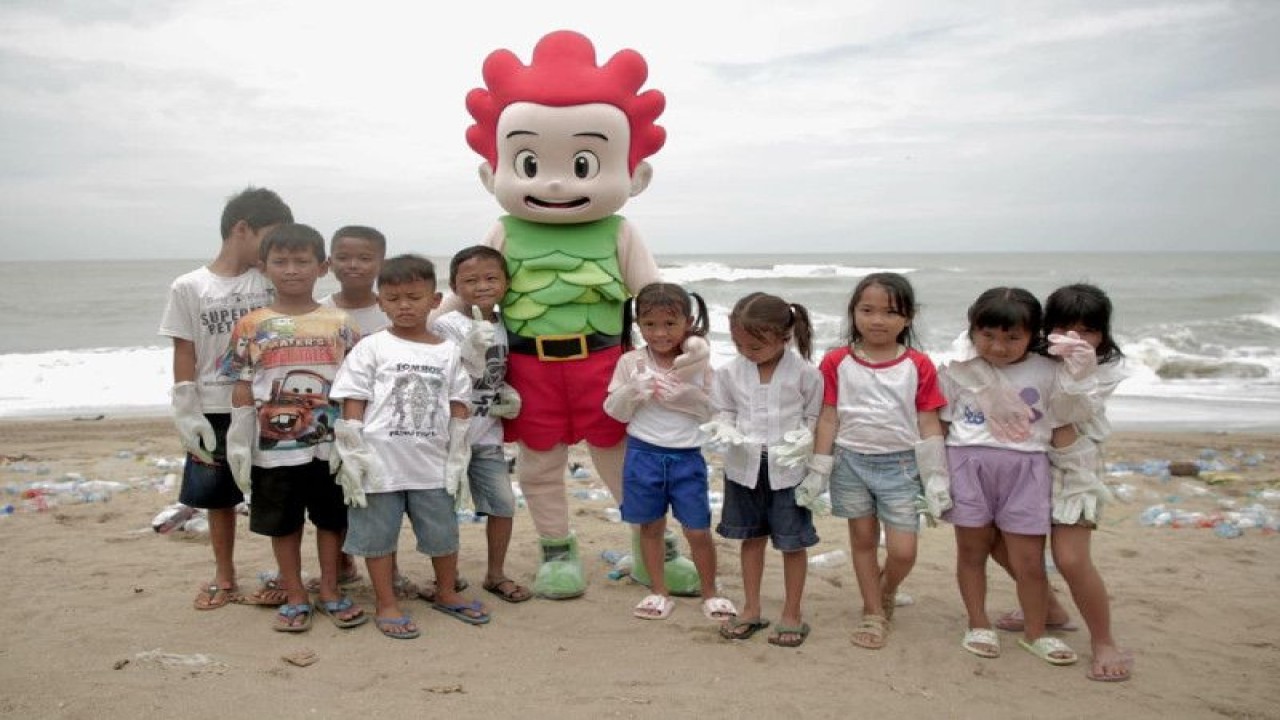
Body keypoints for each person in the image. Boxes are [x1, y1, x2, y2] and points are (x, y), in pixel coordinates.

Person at [439, 30, 699, 599]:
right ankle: (558, 549)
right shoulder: (505, 229)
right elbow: (463, 292)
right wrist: (425, 334)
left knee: (621, 458)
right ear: (494, 173)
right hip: (528, 368)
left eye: (584, 163)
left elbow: (655, 297)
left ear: (634, 176)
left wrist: (688, 342)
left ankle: (652, 545)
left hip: (605, 364)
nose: (555, 181)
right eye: (529, 161)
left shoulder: (619, 228)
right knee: (539, 465)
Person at [330, 254, 488, 639]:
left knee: (442, 532)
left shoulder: (447, 351)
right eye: (394, 297)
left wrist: (457, 452)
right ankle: (387, 603)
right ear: (380, 301)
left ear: (434, 300)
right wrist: (352, 446)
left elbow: (459, 402)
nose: (404, 306)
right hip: (378, 463)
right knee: (377, 537)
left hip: (431, 463)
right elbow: (354, 395)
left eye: (414, 297)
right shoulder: (371, 347)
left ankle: (447, 592)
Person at [938, 287, 1097, 665]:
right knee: (972, 551)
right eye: (988, 335)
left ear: (1033, 335)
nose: (998, 346)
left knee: (1028, 561)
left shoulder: (1049, 371)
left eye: (1012, 337)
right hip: (966, 464)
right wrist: (935, 476)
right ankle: (978, 623)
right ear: (973, 330)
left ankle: (1036, 633)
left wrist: (1080, 370)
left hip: (1028, 468)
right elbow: (940, 424)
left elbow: (1069, 414)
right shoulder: (957, 369)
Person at [222, 223, 367, 632]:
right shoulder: (251, 325)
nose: (291, 270)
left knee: (331, 520)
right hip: (273, 450)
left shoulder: (342, 323)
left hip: (330, 447)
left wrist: (354, 435)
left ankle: (331, 590)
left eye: (302, 261)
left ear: (321, 267)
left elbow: (356, 383)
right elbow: (242, 385)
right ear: (263, 267)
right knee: (283, 523)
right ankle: (295, 592)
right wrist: (239, 439)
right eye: (280, 262)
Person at [157, 186, 292, 611]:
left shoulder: (268, 279)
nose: (275, 248)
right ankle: (224, 574)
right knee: (218, 497)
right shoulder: (190, 286)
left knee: (273, 492)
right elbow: (185, 349)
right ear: (241, 228)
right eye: (270, 237)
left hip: (268, 403)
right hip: (213, 406)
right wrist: (185, 406)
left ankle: (283, 576)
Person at [990, 283, 1133, 681]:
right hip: (1026, 466)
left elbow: (1068, 414)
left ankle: (1104, 642)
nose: (1076, 339)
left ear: (1103, 334)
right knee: (998, 544)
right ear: (1046, 328)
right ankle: (1049, 607)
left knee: (1071, 558)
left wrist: (1078, 370)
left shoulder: (1103, 370)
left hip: (1074, 473)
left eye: (1088, 331)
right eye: (1066, 329)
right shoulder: (1030, 358)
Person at [805, 273, 947, 650]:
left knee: (903, 551)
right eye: (867, 310)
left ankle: (885, 588)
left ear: (909, 317)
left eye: (890, 312)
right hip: (850, 462)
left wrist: (936, 476)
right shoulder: (836, 361)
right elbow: (828, 416)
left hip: (901, 466)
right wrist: (820, 466)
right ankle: (872, 611)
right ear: (853, 313)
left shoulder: (919, 364)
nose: (877, 320)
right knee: (863, 540)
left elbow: (929, 421)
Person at [603, 283, 735, 621]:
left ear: (688, 322)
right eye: (649, 325)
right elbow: (614, 410)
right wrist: (633, 391)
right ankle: (658, 591)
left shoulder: (699, 365)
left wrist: (690, 399)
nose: (660, 333)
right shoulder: (630, 362)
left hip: (686, 456)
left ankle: (711, 592)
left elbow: (714, 413)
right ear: (638, 324)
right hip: (643, 454)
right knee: (650, 527)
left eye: (670, 324)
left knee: (697, 529)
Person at [704, 292, 823, 647]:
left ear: (784, 338)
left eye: (755, 346)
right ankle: (751, 607)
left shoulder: (805, 374)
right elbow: (722, 409)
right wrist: (724, 427)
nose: (746, 352)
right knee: (750, 538)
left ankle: (792, 612)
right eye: (739, 344)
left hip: (788, 469)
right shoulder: (729, 372)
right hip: (744, 467)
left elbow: (815, 415)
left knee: (792, 543)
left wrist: (808, 438)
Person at [430, 245, 531, 604]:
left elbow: (499, 371)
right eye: (470, 280)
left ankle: (495, 573)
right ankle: (445, 576)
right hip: (447, 435)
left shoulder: (507, 325)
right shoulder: (446, 324)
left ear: (506, 283)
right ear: (455, 285)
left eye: (491, 278)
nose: (482, 286)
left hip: (488, 432)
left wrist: (507, 393)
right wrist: (470, 354)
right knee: (442, 509)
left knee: (503, 503)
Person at [317, 225, 388, 593]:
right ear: (329, 263)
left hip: (383, 421)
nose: (354, 265)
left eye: (365, 258)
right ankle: (343, 564)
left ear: (381, 262)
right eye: (344, 257)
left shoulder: (393, 310)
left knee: (380, 497)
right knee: (336, 494)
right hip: (332, 420)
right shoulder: (319, 312)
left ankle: (386, 568)